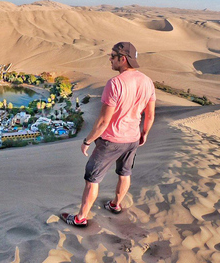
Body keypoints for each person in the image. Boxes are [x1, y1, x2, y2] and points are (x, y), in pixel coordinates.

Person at [61, 42, 156, 227]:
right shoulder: (147, 81)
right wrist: (144, 133)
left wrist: (87, 141)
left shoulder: (115, 83)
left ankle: (80, 218)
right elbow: (150, 115)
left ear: (123, 59)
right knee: (125, 173)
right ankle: (115, 205)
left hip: (111, 140)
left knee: (92, 179)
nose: (110, 60)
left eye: (112, 56)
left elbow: (104, 121)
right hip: (133, 138)